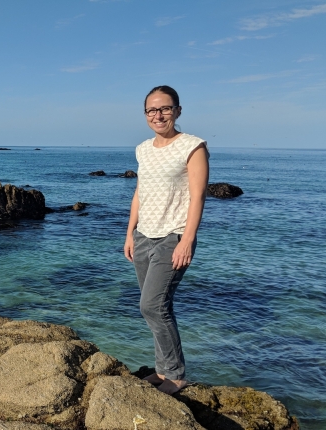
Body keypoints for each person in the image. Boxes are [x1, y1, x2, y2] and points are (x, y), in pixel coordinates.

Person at [123, 85, 209, 395]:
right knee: (159, 306)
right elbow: (140, 192)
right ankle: (162, 370)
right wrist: (130, 232)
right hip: (144, 236)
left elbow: (198, 196)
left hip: (173, 236)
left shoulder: (193, 146)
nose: (158, 115)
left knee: (151, 305)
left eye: (165, 108)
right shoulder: (143, 149)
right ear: (145, 114)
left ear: (178, 110)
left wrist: (187, 240)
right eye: (152, 110)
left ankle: (176, 374)